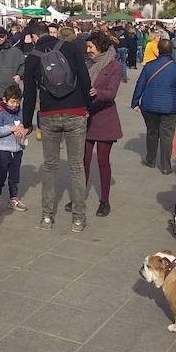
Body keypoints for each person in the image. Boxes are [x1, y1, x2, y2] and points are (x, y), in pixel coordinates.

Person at [21, 22, 93, 232]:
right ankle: (78, 219)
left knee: (50, 166)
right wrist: (86, 107)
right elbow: (85, 79)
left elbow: (29, 94)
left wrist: (27, 122)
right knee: (76, 166)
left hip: (49, 114)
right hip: (76, 111)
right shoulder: (71, 48)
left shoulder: (33, 56)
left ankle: (47, 218)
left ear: (35, 37)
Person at [78, 31, 122, 217]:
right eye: (86, 47)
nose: (87, 51)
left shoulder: (114, 66)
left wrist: (97, 92)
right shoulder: (87, 63)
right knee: (83, 161)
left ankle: (104, 201)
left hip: (104, 118)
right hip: (86, 118)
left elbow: (111, 93)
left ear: (101, 47)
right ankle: (79, 198)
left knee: (103, 161)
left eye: (90, 47)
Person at [131, 39, 176, 175]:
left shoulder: (149, 66)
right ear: (171, 50)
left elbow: (140, 84)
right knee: (167, 136)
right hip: (169, 106)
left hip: (149, 105)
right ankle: (166, 166)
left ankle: (150, 159)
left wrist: (135, 101)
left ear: (158, 50)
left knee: (152, 132)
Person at [0, 84, 28, 214]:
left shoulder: (21, 111)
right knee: (1, 176)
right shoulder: (0, 112)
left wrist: (25, 130)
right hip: (3, 150)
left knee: (14, 176)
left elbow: (29, 127)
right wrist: (10, 128)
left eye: (17, 102)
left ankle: (13, 198)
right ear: (5, 100)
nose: (15, 105)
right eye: (12, 102)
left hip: (18, 150)